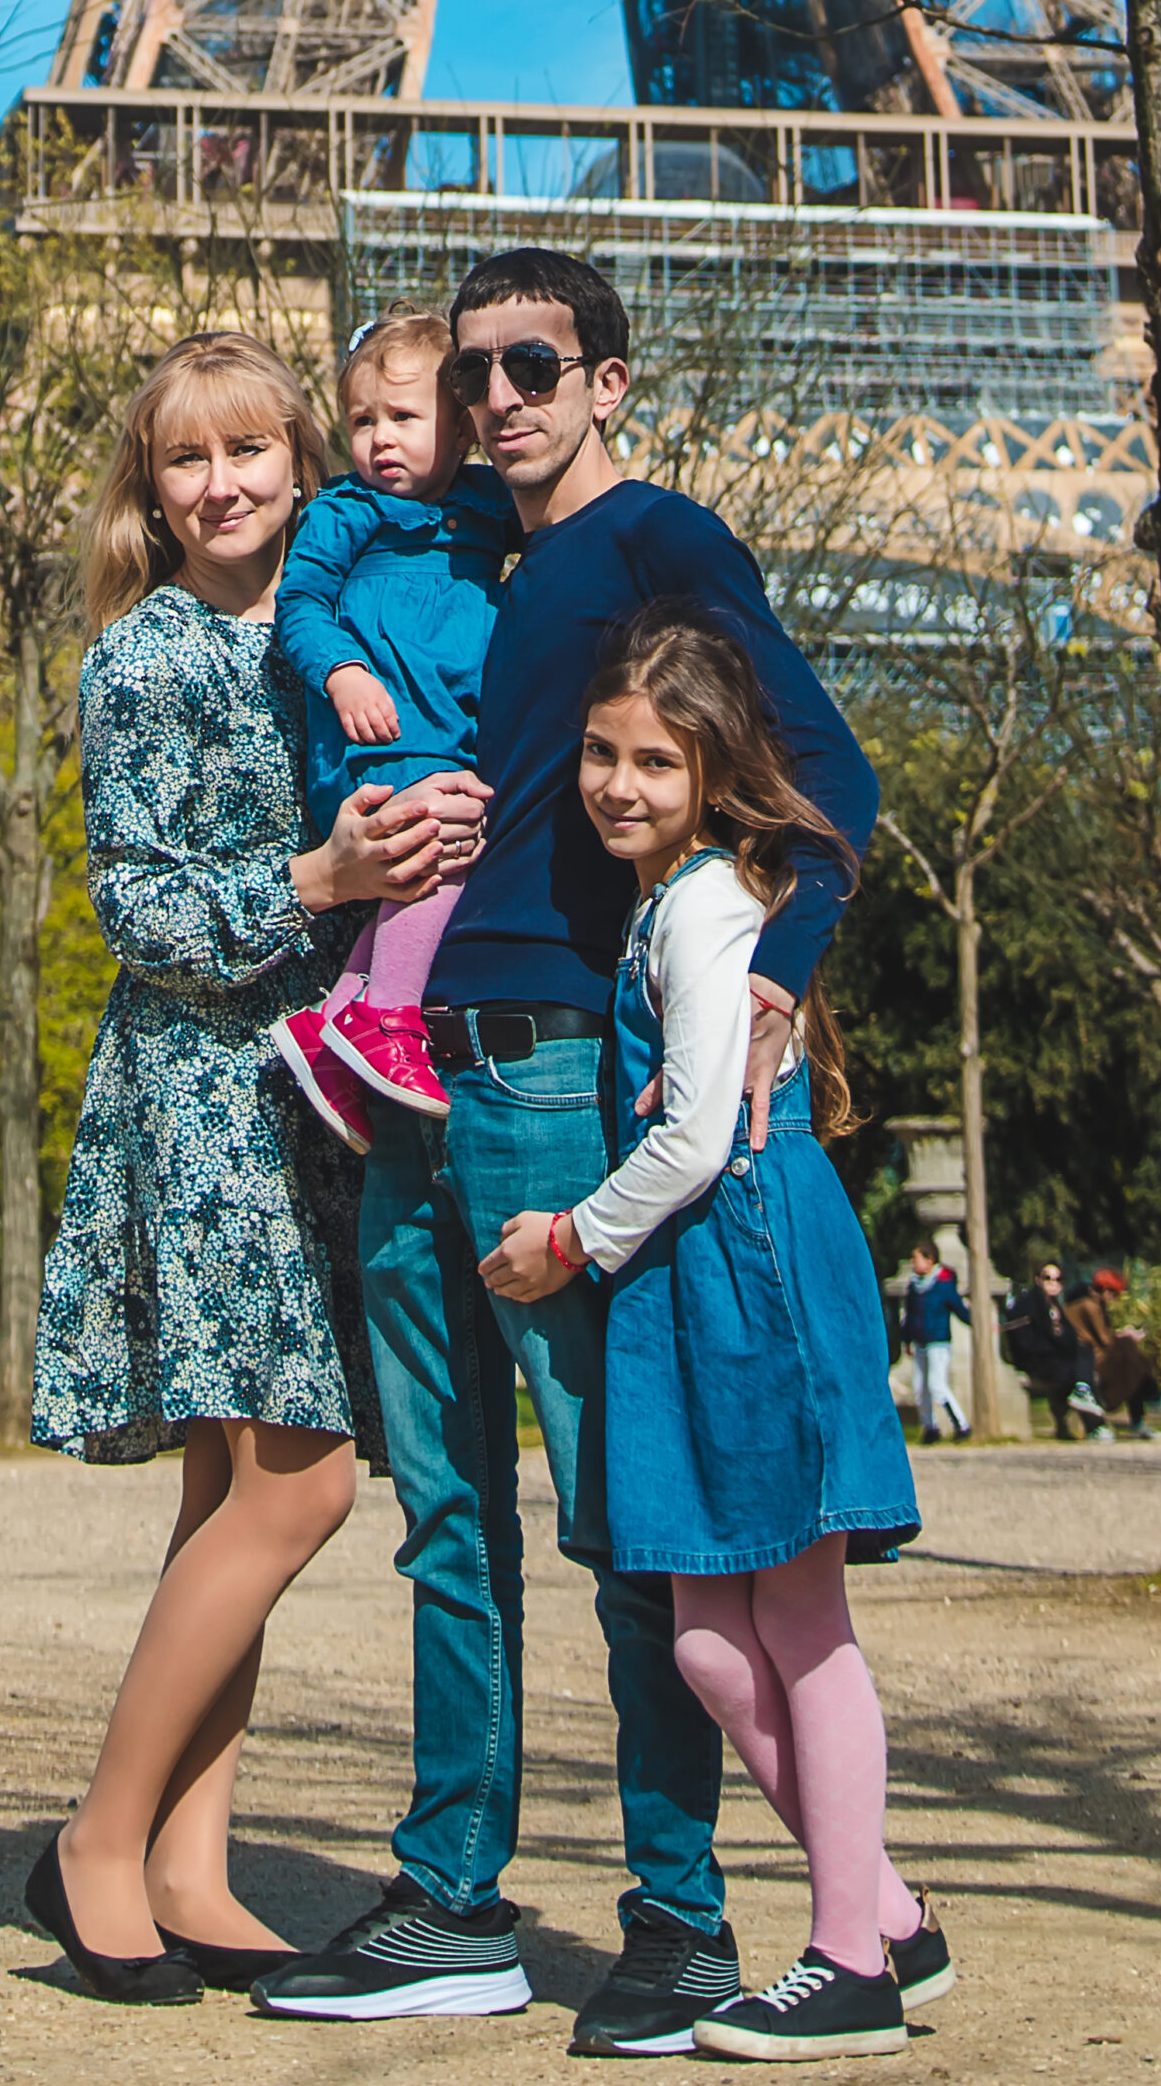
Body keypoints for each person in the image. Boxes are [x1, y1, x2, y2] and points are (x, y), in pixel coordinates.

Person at [254, 249, 883, 2049]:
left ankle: (678, 1917)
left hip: (542, 1068)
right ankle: (455, 1891)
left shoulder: (654, 542)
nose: (500, 395)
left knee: (616, 1520)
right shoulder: (447, 551)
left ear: (609, 379)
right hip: (406, 1064)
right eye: (473, 373)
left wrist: (771, 985)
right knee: (446, 1512)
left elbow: (823, 784)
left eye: (535, 362)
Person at [26, 332, 487, 2005]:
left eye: (250, 453)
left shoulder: (345, 616)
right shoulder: (143, 662)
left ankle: (189, 1858)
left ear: (307, 456)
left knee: (230, 1493)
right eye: (185, 462)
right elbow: (135, 914)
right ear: (149, 491)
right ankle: (100, 1834)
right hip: (212, 1091)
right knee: (304, 1479)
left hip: (330, 1092)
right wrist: (321, 872)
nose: (222, 487)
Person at [477, 612, 945, 2059]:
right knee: (706, 1642)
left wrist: (564, 1244)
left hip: (742, 1264)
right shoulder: (668, 901)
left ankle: (843, 1953)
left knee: (798, 1625)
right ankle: (887, 1916)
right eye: (603, 756)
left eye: (655, 763)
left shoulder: (705, 910)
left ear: (712, 769)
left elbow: (689, 1141)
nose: (619, 784)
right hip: (694, 1286)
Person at [271, 310, 517, 1134]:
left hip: (446, 731)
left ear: (461, 430)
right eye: (362, 420)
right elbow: (299, 604)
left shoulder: (488, 506)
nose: (379, 439)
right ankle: (388, 1016)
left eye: (403, 419)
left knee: (429, 865)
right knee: (438, 858)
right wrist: (342, 673)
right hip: (380, 736)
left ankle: (334, 1016)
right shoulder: (346, 512)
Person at [1066, 1269, 1161, 1438]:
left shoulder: (1086, 1302)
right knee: (1132, 1355)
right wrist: (1125, 1335)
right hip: (1091, 1361)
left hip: (1094, 1356)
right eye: (1115, 1295)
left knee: (1134, 1364)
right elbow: (1105, 1341)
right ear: (1106, 1290)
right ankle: (1153, 1401)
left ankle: (1148, 1410)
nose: (1115, 1300)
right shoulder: (1089, 1306)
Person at [1003, 1262, 1111, 1441]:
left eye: (1058, 1279)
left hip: (1058, 1358)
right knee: (1074, 1374)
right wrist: (1058, 1344)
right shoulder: (1028, 1305)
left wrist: (1065, 1343)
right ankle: (1094, 1425)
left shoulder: (1056, 1306)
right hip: (1037, 1360)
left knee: (1084, 1354)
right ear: (1038, 1280)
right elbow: (1026, 1343)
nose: (1053, 1283)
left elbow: (1068, 1337)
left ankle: (1083, 1395)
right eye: (1047, 1278)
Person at [899, 1237, 971, 1443]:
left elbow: (959, 1309)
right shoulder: (914, 1287)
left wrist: (978, 1323)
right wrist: (907, 1340)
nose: (914, 1264)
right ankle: (930, 1427)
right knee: (920, 1387)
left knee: (937, 1385)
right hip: (920, 1342)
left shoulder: (943, 1286)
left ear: (930, 1260)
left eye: (917, 1259)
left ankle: (961, 1425)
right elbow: (909, 1317)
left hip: (938, 1342)